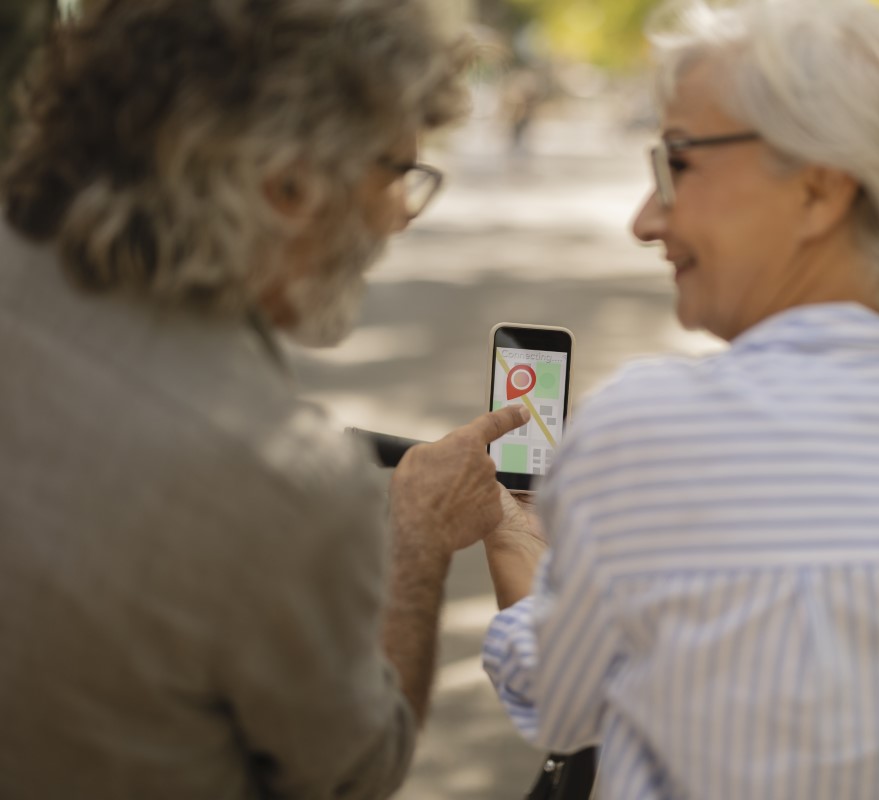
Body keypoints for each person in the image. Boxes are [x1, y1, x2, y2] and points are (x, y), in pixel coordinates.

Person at [473, 0, 879, 797]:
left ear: (819, 189)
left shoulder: (650, 427)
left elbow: (559, 705)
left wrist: (508, 533)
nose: (646, 219)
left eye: (677, 163)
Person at [0, 0, 529, 797]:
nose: (401, 217)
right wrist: (414, 546)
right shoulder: (281, 482)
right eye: (396, 174)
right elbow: (356, 773)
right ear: (287, 185)